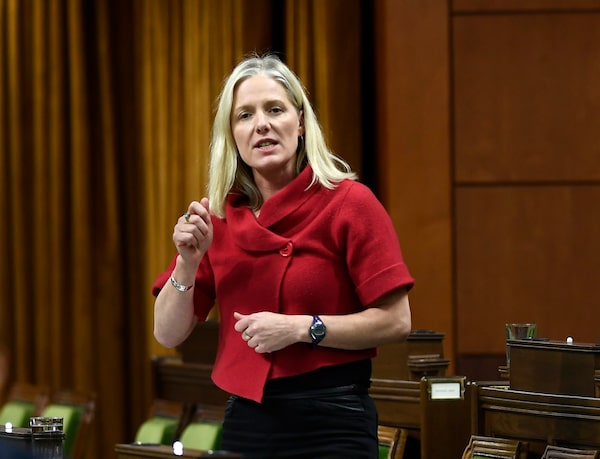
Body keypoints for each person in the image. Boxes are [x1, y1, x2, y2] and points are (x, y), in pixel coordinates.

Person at [152, 53, 414, 458]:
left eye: (275, 109)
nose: (261, 124)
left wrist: (300, 328)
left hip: (333, 422)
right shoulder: (217, 218)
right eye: (245, 115)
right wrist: (187, 263)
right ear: (232, 135)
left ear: (301, 123)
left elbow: (397, 320)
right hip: (248, 422)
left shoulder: (350, 203)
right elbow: (167, 334)